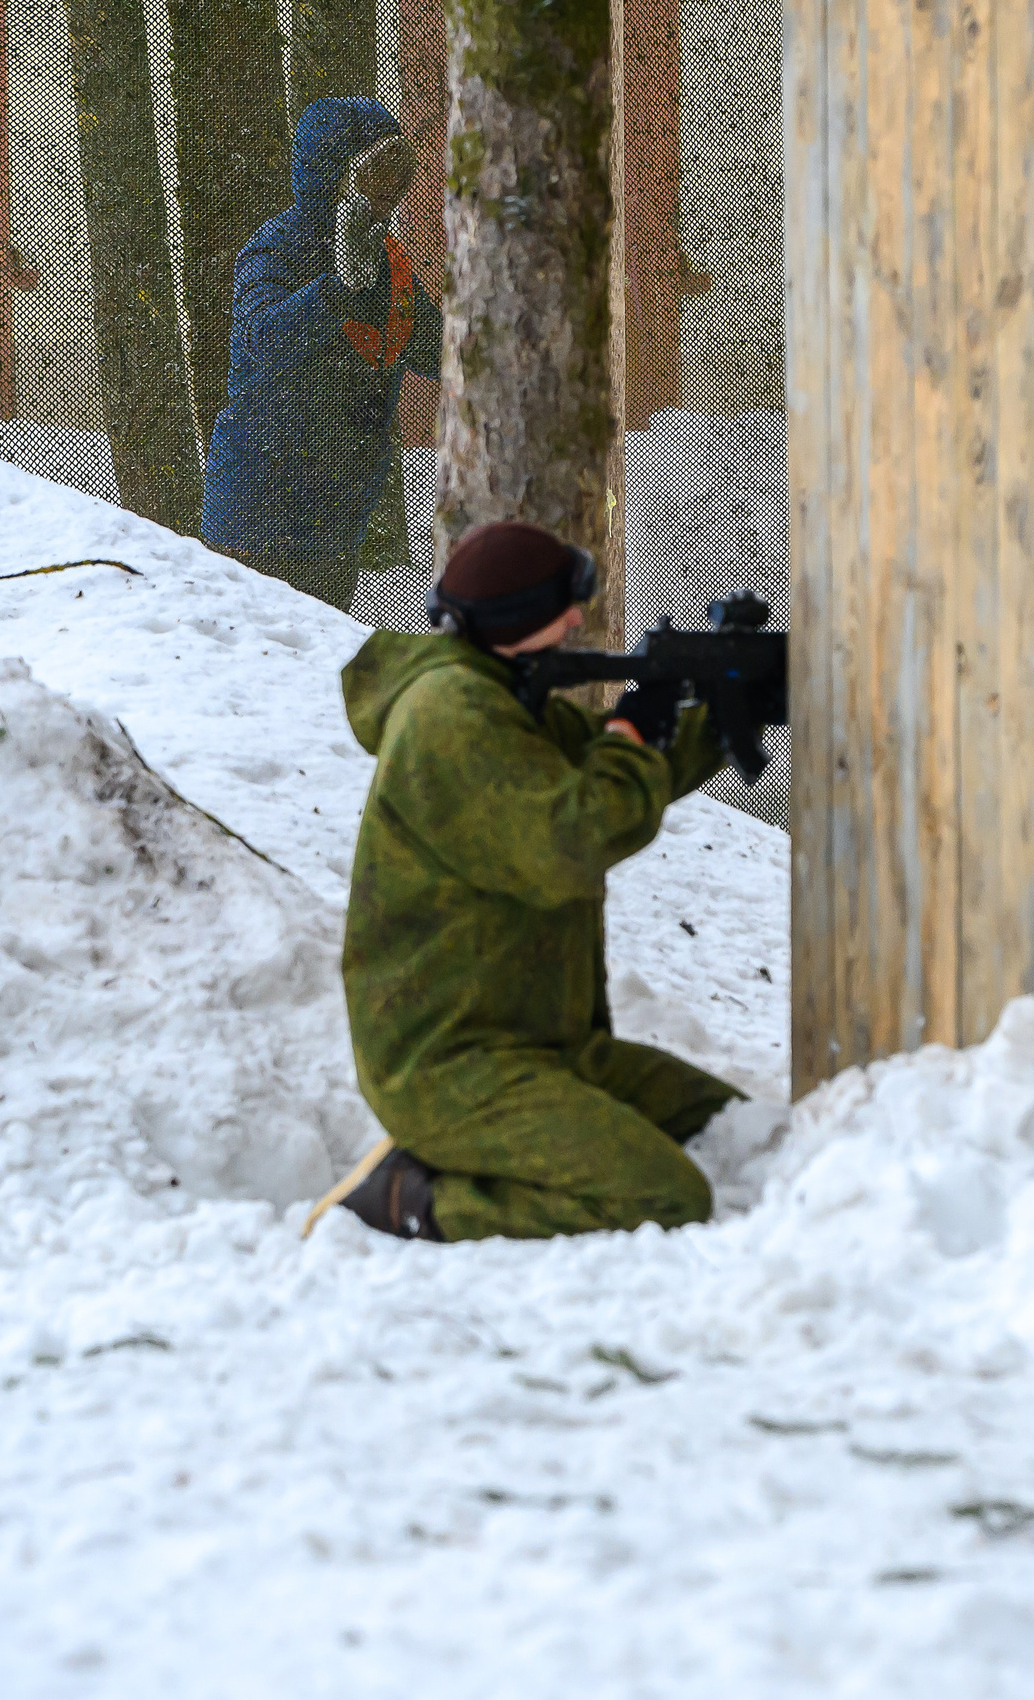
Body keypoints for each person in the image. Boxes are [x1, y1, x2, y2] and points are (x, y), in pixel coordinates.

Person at [303, 521, 744, 1243]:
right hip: (450, 1065)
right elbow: (574, 838)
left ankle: (494, 1159)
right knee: (668, 1194)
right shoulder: (451, 715)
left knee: (728, 1126)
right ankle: (415, 1199)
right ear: (519, 621)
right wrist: (634, 733)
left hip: (543, 1044)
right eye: (562, 607)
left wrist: (721, 720)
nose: (577, 620)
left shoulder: (502, 696)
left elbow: (613, 776)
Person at [201, 97, 439, 611]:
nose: (384, 197)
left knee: (316, 658)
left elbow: (436, 348)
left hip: (333, 512)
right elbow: (259, 342)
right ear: (334, 174)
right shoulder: (278, 247)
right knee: (257, 654)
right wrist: (336, 291)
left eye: (396, 179)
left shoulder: (386, 263)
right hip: (259, 508)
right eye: (373, 174)